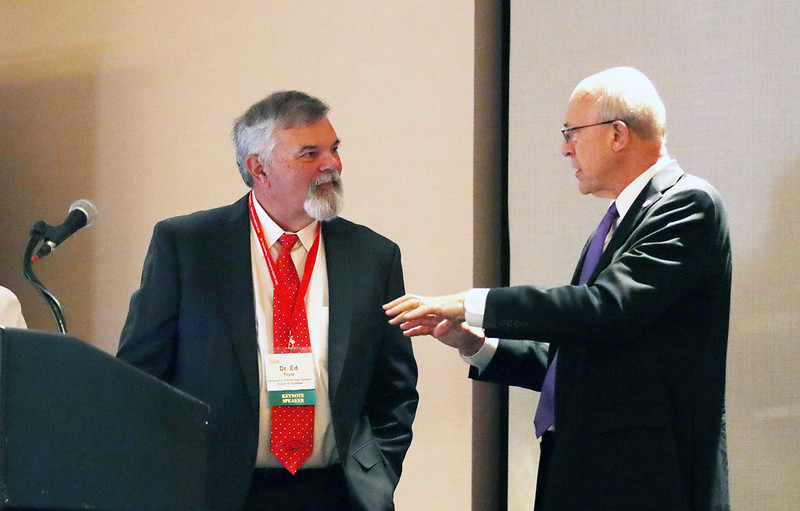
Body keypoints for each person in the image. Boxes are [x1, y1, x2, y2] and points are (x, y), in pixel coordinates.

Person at [385, 67, 731, 511]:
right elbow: (579, 355)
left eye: (572, 132)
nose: (565, 148)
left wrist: (471, 303)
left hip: (648, 482)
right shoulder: (618, 222)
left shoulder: (689, 204)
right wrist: (478, 344)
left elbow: (606, 309)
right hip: (587, 476)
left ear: (617, 134)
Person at [118, 91, 418, 511]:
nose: (332, 164)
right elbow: (139, 380)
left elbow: (395, 389)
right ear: (259, 168)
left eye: (333, 149)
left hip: (336, 494)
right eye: (309, 153)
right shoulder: (188, 247)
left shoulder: (373, 256)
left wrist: (377, 472)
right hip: (215, 494)